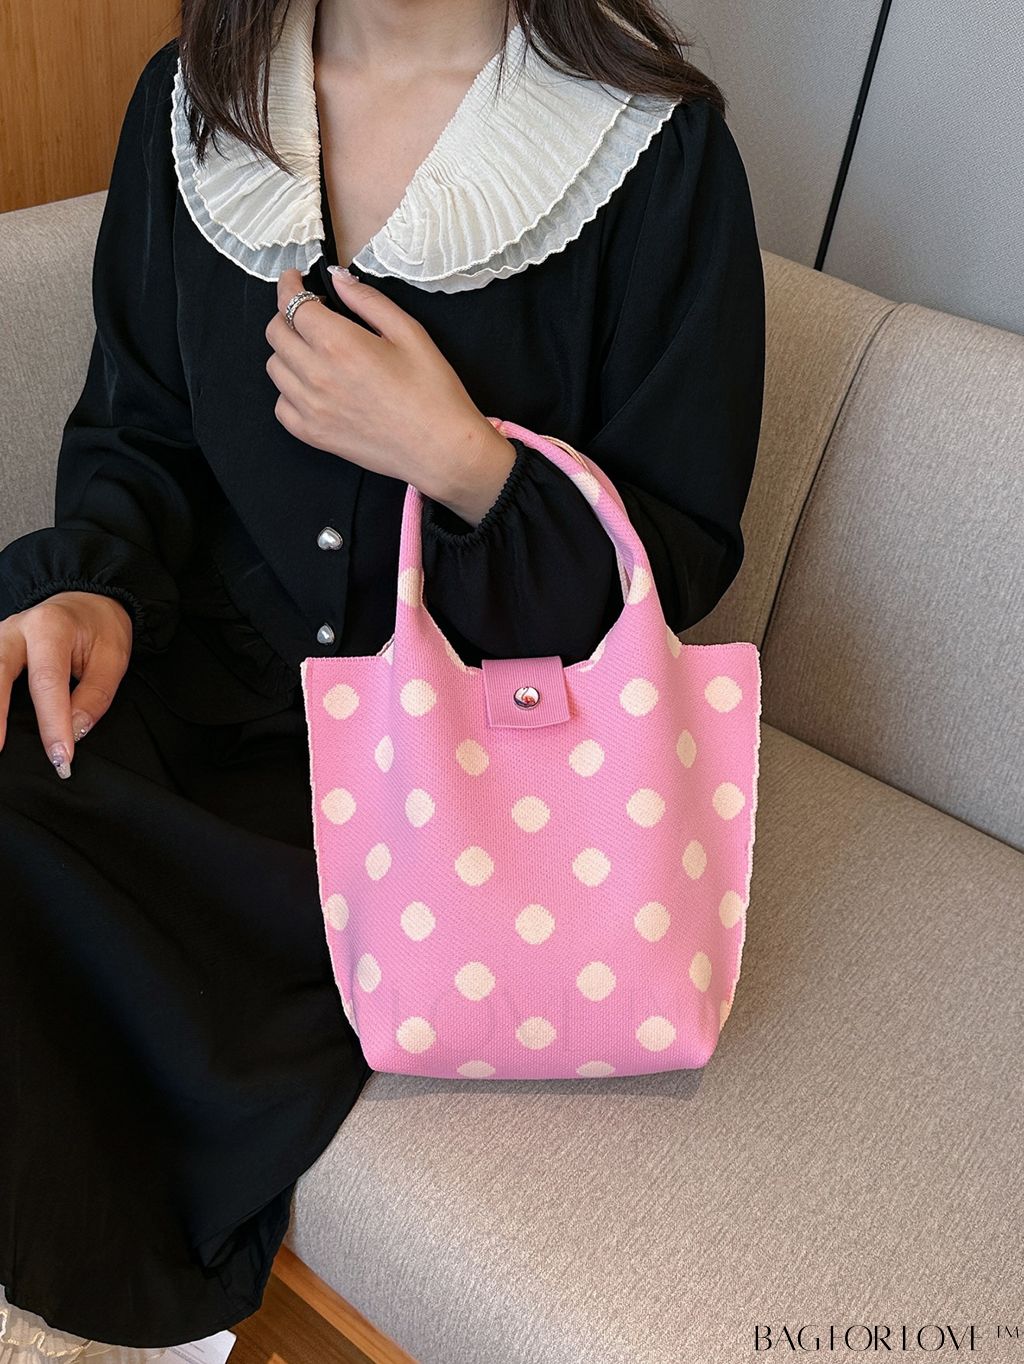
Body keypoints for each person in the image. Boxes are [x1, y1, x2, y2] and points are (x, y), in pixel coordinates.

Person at [0, 0, 765, 1355]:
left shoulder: (655, 153)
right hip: (199, 702)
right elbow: (137, 429)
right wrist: (91, 591)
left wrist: (462, 463)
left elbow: (677, 556)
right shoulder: (195, 103)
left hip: (462, 773)